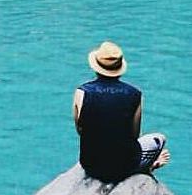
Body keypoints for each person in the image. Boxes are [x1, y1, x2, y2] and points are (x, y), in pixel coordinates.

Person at [73, 41, 170, 183]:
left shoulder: (81, 93)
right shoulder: (135, 94)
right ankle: (145, 167)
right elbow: (134, 134)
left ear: (96, 68)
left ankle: (141, 167)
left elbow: (80, 129)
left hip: (90, 164)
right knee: (159, 138)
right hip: (123, 166)